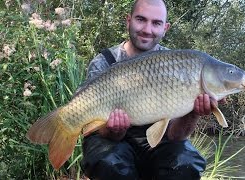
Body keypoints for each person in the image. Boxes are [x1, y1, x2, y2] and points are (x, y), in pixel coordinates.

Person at [80, 0, 224, 179]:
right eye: (141, 19)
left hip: (158, 143)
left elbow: (175, 136)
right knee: (110, 164)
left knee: (187, 163)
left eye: (156, 23)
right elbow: (91, 130)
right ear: (128, 20)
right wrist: (113, 131)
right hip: (111, 140)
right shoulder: (104, 61)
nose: (147, 29)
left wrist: (193, 113)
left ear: (165, 28)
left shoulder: (178, 65)